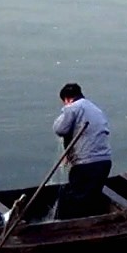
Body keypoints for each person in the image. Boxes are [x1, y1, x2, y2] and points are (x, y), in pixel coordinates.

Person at [51, 83, 111, 217]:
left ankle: (70, 227)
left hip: (85, 165)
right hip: (104, 162)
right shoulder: (96, 109)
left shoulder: (72, 107)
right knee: (91, 197)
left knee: (76, 199)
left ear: (67, 99)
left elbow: (60, 129)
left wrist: (65, 111)